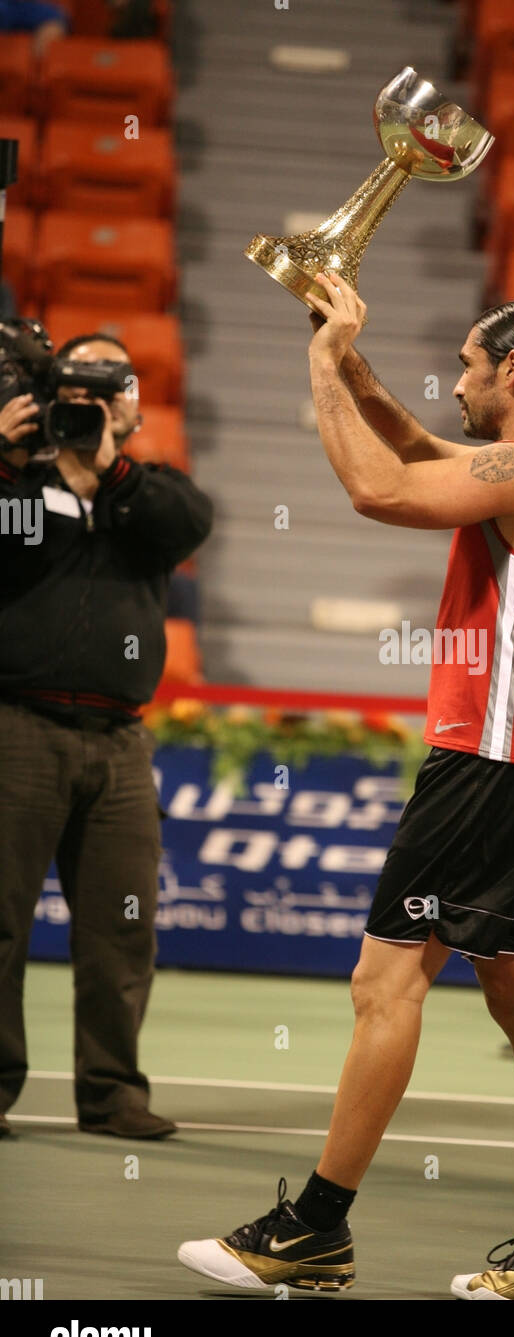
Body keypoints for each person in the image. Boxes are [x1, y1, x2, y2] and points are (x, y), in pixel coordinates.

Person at [178, 278, 514, 1302]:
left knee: (385, 985)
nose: (457, 383)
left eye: (470, 365)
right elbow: (420, 444)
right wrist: (349, 356)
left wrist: (321, 368)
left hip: (485, 766)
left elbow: (377, 489)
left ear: (513, 371)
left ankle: (313, 1229)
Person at [0, 327, 213, 1140]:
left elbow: (186, 526)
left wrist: (109, 469)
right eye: (76, 387)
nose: (89, 402)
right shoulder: (19, 485)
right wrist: (9, 462)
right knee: (0, 920)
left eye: (106, 385)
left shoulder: (147, 491)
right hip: (18, 727)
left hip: (120, 744)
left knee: (122, 927)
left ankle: (113, 1092)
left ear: (131, 401)